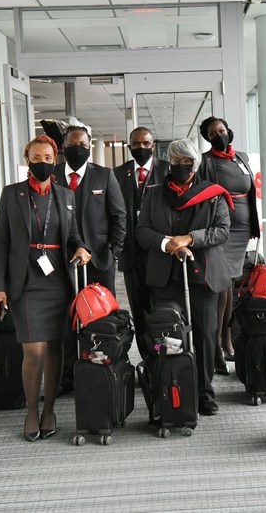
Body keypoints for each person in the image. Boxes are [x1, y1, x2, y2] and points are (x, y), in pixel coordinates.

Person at [0, 135, 90, 442]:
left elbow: (73, 235)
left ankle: (49, 410)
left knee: (56, 350)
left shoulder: (65, 196)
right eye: (36, 158)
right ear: (27, 159)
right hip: (25, 281)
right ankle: (32, 410)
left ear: (55, 158)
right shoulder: (11, 194)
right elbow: (2, 242)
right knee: (33, 350)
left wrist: (82, 248)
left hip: (58, 279)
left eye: (48, 157)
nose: (42, 163)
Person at [136, 139, 232, 416]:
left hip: (203, 276)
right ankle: (172, 388)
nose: (180, 166)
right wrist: (169, 243)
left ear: (195, 164)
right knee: (168, 336)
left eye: (186, 161)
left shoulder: (213, 194)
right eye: (175, 161)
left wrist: (190, 238)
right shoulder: (153, 193)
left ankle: (203, 394)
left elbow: (222, 230)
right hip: (164, 278)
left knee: (204, 337)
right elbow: (142, 232)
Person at [52, 124, 126, 396]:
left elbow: (119, 215)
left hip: (100, 261)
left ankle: (104, 368)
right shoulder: (54, 175)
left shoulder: (104, 175)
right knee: (67, 318)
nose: (78, 149)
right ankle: (68, 375)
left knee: (101, 317)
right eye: (72, 145)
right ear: (63, 148)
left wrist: (114, 251)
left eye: (83, 145)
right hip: (62, 263)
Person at [197, 116, 260, 375]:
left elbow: (250, 192)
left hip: (243, 229)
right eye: (213, 133)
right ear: (207, 138)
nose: (219, 135)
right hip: (221, 230)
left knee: (231, 283)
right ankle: (216, 348)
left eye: (222, 130)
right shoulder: (206, 161)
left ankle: (227, 339)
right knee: (221, 286)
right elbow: (203, 193)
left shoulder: (242, 157)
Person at [114, 127, 168, 360]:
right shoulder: (118, 174)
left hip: (160, 252)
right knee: (139, 307)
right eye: (136, 144)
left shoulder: (166, 170)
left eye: (146, 143)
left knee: (162, 306)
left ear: (153, 145)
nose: (141, 148)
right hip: (131, 252)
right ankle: (147, 357)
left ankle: (164, 356)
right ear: (129, 147)